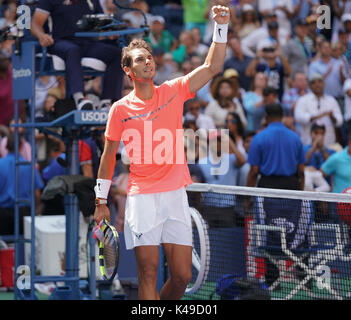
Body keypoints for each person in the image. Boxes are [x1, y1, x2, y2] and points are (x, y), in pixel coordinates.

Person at [93, 5, 231, 300]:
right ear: (128, 70)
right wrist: (100, 200)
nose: (148, 63)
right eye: (140, 60)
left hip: (174, 195)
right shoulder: (119, 110)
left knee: (181, 276)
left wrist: (221, 27)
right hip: (142, 197)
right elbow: (108, 156)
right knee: (148, 273)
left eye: (150, 58)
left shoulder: (174, 90)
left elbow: (212, 66)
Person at [246, 102, 306, 288]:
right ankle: (304, 276)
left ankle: (273, 280)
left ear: (266, 116)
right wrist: (300, 193)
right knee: (297, 229)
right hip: (291, 188)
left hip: (267, 188)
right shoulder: (295, 138)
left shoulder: (259, 138)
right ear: (282, 115)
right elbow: (301, 171)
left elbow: (254, 171)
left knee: (268, 232)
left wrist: (247, 196)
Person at [31, 0, 124, 111]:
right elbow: (35, 24)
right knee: (73, 50)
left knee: (118, 54)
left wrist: (109, 31)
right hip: (60, 42)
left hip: (88, 43)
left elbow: (101, 22)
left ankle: (107, 102)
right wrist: (41, 36)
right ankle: (80, 99)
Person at [0, 133, 44, 235]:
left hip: (2, 213)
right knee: (24, 247)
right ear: (21, 146)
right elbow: (37, 193)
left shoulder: (1, 164)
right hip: (24, 213)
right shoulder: (28, 166)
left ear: (6, 146)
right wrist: (37, 209)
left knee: (4, 247)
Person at [294, 73, 343, 148]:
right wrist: (320, 115)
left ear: (324, 84)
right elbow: (299, 117)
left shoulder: (331, 100)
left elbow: (339, 121)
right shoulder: (302, 100)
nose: (317, 84)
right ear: (309, 86)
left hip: (329, 144)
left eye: (320, 82)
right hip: (308, 144)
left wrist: (332, 117)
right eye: (313, 82)